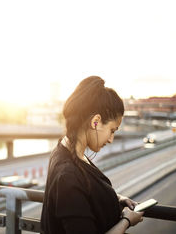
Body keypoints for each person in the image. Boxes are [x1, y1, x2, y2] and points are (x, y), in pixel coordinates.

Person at [41, 76, 144, 234]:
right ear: (95, 121)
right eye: (112, 130)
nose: (111, 139)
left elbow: (86, 192)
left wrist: (117, 199)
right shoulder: (67, 174)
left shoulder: (67, 151)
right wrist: (127, 221)